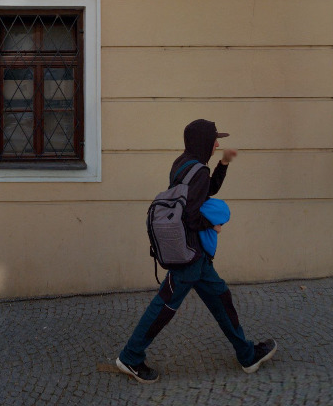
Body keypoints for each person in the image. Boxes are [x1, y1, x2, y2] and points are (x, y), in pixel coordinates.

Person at [116, 119, 277, 383]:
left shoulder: (183, 164)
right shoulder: (198, 170)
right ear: (203, 141)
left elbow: (205, 192)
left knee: (221, 298)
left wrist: (223, 164)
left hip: (194, 254)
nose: (217, 144)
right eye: (214, 140)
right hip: (189, 255)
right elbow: (190, 216)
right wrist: (212, 224)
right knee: (164, 305)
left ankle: (247, 355)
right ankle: (130, 357)